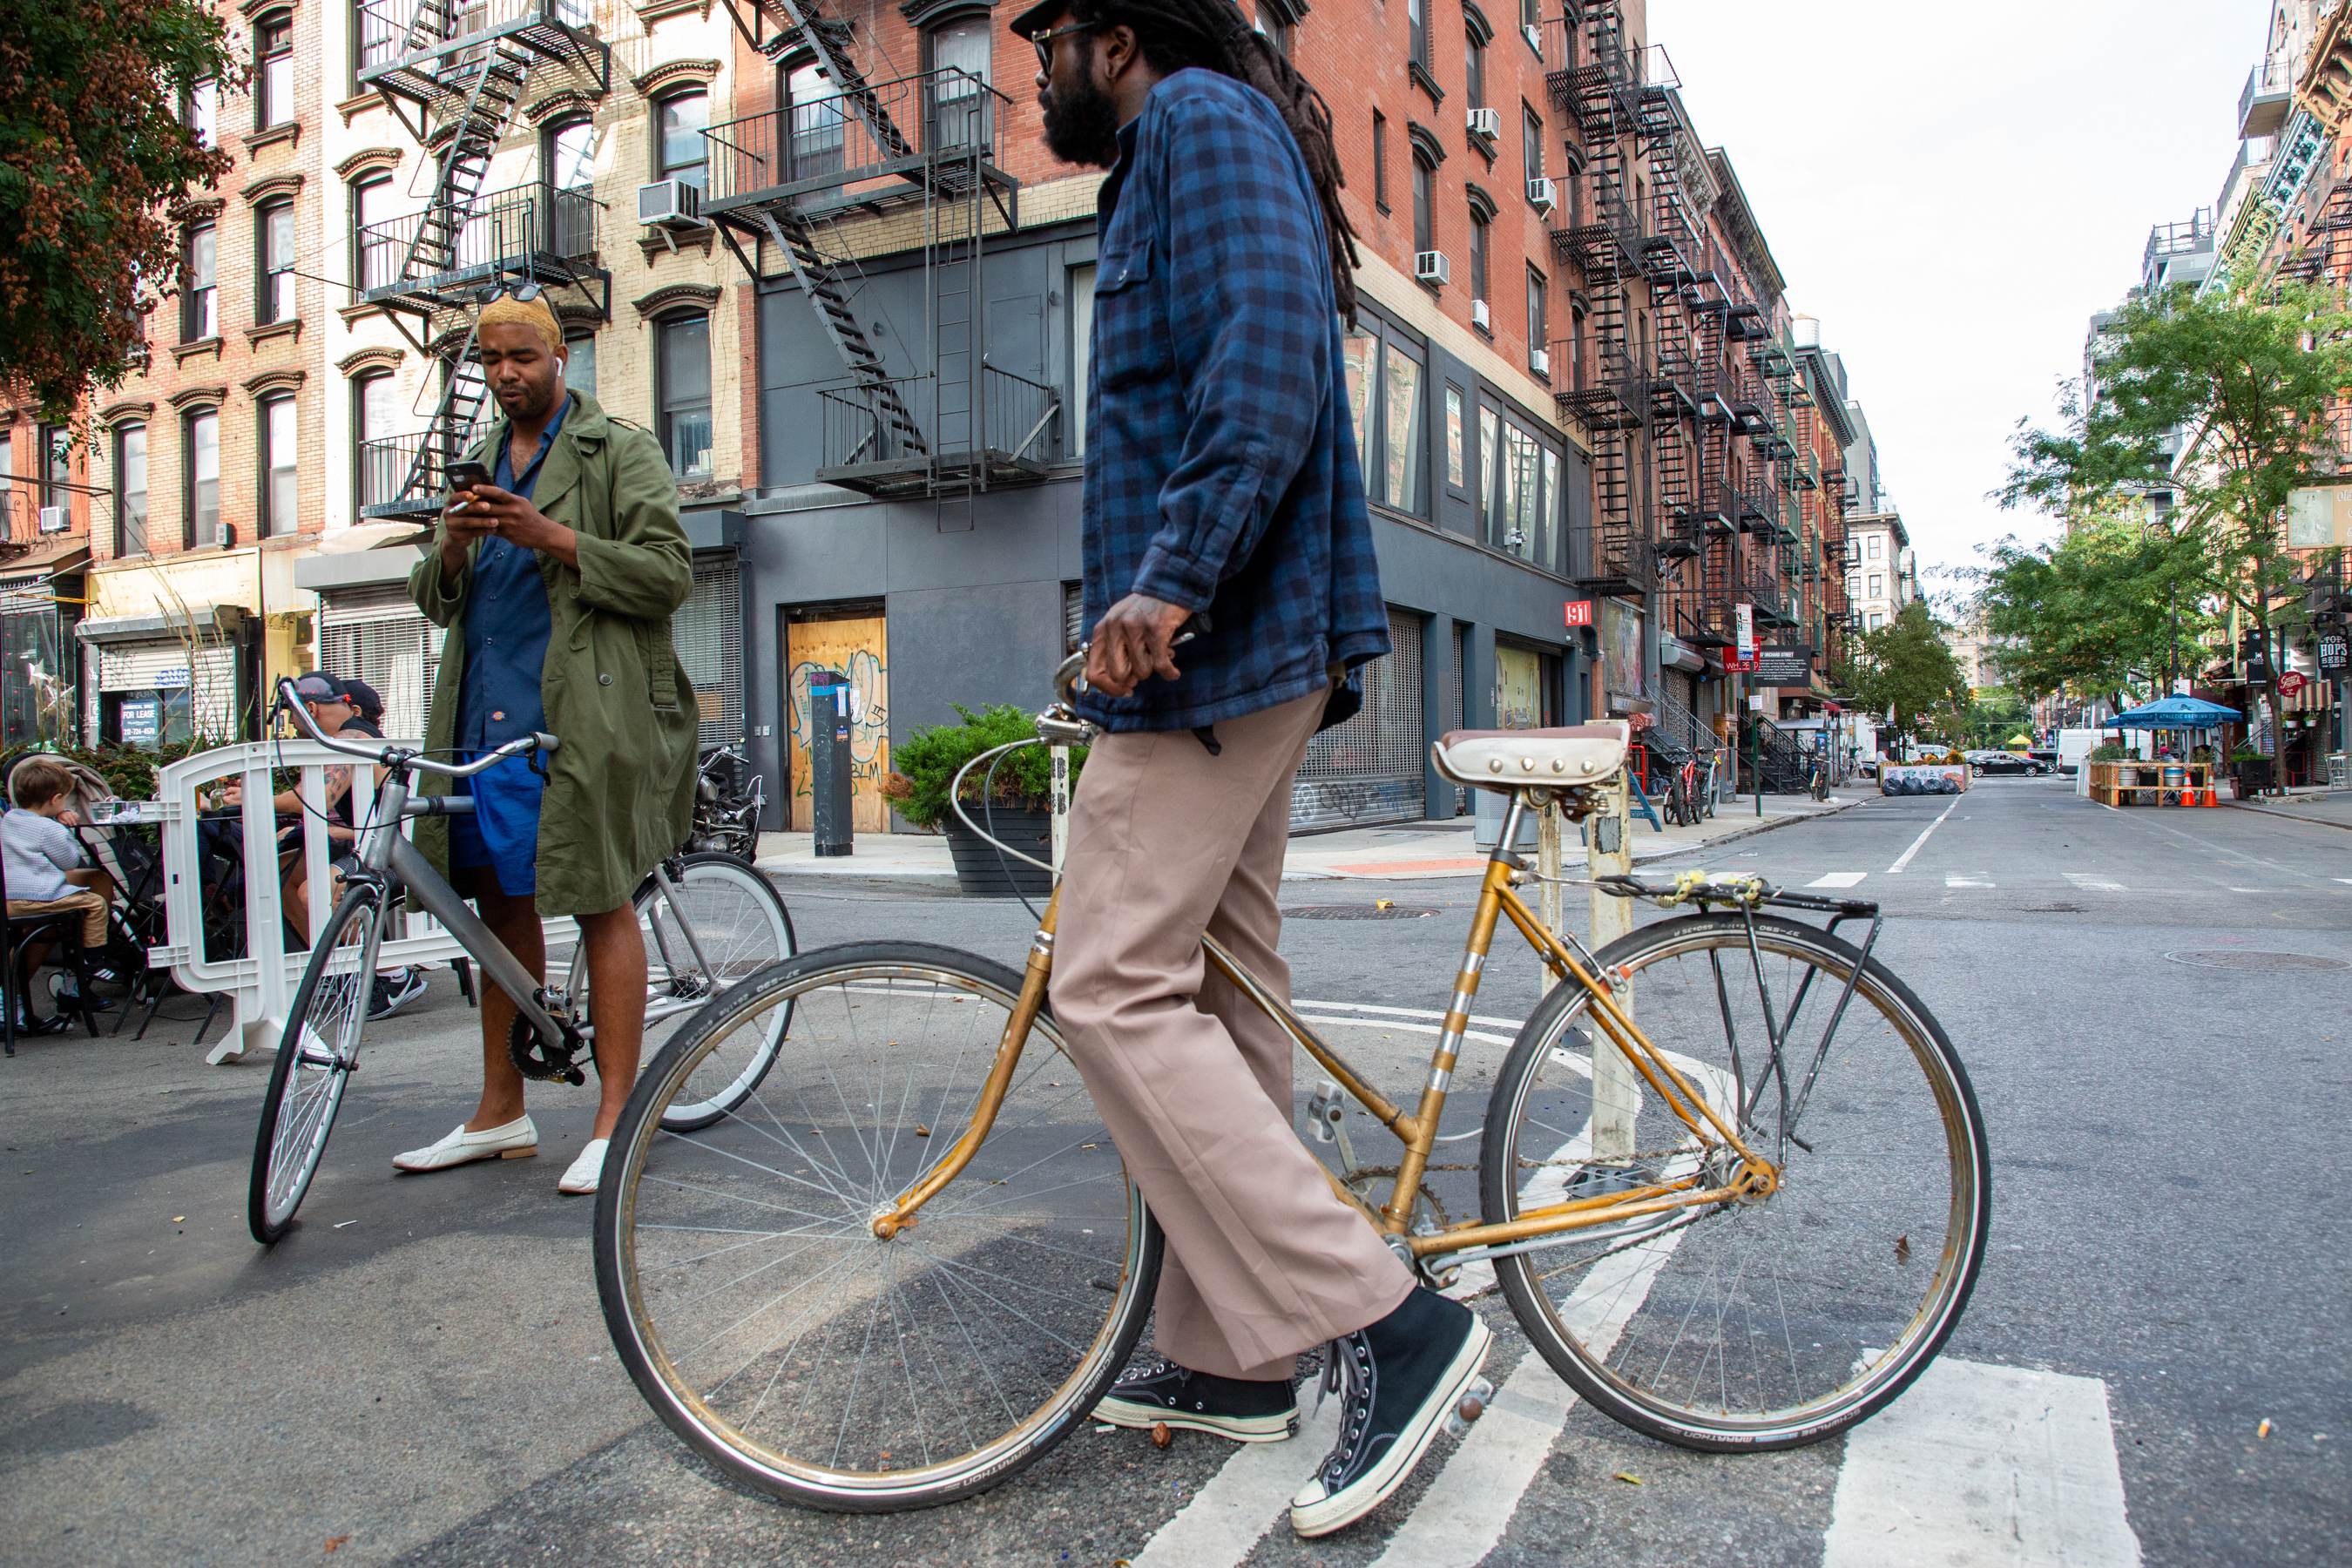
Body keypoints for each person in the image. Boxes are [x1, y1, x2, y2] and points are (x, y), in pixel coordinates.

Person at [1017, 0, 1488, 1538]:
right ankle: (1242, 1354)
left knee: (1104, 985)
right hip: (1235, 641)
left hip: (1209, 651)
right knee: (1217, 988)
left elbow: (1273, 362)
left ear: (1113, 35)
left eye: (1043, 43)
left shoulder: (1202, 125)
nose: (1032, 73)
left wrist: (1166, 581)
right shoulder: (1184, 146)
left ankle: (1389, 1324)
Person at [394, 289, 697, 1197]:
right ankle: (500, 1110)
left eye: (521, 358)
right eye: (489, 362)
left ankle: (617, 1117)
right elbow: (439, 599)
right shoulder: (477, 463)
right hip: (483, 716)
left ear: (559, 357)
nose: (505, 376)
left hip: (580, 717)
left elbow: (667, 574)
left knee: (601, 901)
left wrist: (550, 535)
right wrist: (450, 551)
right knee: (498, 911)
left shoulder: (618, 450)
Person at [3, 758, 118, 1034]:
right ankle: (93, 961)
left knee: (95, 882)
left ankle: (74, 983)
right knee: (91, 903)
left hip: (9, 898)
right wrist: (62, 828)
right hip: (40, 896)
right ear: (57, 799)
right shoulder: (49, 828)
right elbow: (69, 862)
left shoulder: (8, 819)